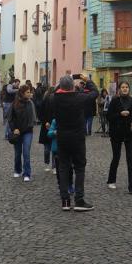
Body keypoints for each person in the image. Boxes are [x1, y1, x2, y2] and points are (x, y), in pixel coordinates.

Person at [53, 75, 94, 211]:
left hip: (62, 137)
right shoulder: (79, 97)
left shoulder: (55, 98)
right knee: (80, 167)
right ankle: (79, 200)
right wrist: (86, 80)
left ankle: (65, 201)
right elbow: (95, 93)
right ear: (72, 86)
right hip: (77, 138)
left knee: (63, 167)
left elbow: (56, 90)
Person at [106, 81, 132, 194]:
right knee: (116, 157)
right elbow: (109, 116)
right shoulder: (115, 101)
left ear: (129, 89)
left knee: (130, 160)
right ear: (119, 89)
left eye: (126, 87)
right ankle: (111, 180)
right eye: (123, 87)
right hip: (116, 133)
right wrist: (120, 114)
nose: (125, 89)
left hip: (129, 134)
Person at [9, 84, 36, 181]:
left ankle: (27, 173)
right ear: (22, 93)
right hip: (17, 132)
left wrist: (32, 123)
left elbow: (34, 117)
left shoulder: (30, 103)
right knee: (17, 153)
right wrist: (14, 129)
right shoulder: (15, 103)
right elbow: (10, 118)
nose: (30, 94)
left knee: (26, 153)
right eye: (28, 92)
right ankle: (17, 170)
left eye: (30, 92)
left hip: (28, 131)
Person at [38, 86, 56, 172]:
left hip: (46, 125)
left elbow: (40, 113)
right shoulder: (55, 100)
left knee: (47, 147)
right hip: (53, 125)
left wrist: (45, 122)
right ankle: (54, 166)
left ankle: (47, 164)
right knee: (54, 147)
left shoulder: (44, 100)